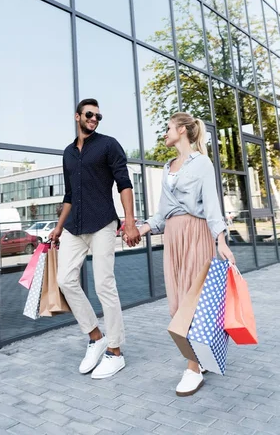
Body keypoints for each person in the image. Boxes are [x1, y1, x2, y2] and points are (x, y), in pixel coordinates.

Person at [138, 112, 235, 397]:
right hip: (173, 237)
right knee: (177, 305)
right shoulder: (168, 166)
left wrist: (221, 241)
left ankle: (193, 367)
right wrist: (141, 229)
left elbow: (213, 205)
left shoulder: (202, 163)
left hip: (196, 234)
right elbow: (161, 213)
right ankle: (199, 358)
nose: (165, 133)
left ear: (182, 130)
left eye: (168, 128)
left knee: (194, 303)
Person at [50, 99, 141, 379]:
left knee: (104, 284)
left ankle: (115, 351)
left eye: (98, 116)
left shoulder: (108, 145)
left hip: (103, 223)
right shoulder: (67, 153)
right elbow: (68, 196)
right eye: (89, 114)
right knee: (65, 280)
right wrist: (58, 226)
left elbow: (125, 184)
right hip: (74, 228)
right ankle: (95, 336)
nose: (94, 119)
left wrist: (130, 222)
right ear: (77, 116)